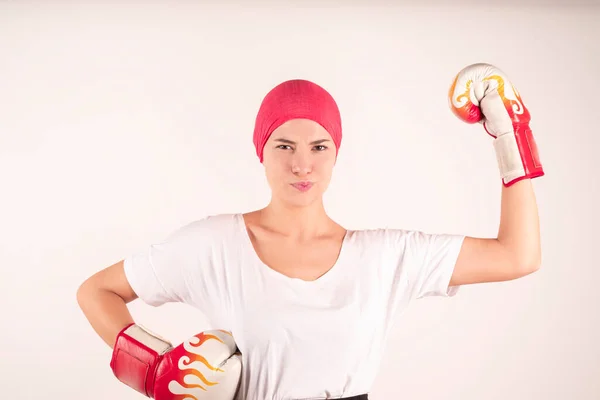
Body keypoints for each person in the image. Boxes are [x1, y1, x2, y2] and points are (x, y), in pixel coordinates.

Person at [76, 63, 544, 400]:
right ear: (261, 151)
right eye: (284, 145)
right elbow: (96, 291)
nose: (302, 164)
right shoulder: (213, 246)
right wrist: (152, 372)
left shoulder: (385, 257)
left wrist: (512, 137)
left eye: (319, 146)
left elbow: (517, 255)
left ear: (336, 153)